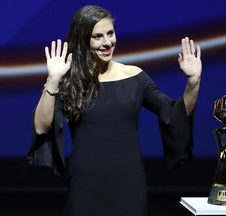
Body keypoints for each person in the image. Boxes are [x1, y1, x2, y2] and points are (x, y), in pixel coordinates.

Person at [27, 4, 202, 216]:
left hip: (129, 182)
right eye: (97, 36)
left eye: (110, 33)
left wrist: (193, 81)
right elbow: (41, 126)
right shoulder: (69, 80)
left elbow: (175, 114)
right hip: (85, 184)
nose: (107, 42)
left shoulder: (135, 77)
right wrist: (53, 80)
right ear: (83, 40)